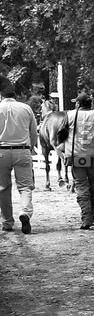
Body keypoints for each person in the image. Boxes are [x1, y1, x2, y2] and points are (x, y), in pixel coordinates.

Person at [57, 91, 94, 230]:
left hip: (77, 156)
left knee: (81, 186)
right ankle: (92, 214)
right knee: (92, 184)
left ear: (78, 104)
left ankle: (86, 217)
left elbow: (61, 133)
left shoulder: (70, 115)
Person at [0, 76, 38, 233]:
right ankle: (25, 212)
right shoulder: (25, 108)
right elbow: (33, 131)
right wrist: (31, 147)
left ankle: (7, 222)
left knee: (2, 188)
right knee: (25, 187)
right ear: (15, 96)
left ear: (1, 96)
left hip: (1, 151)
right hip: (22, 150)